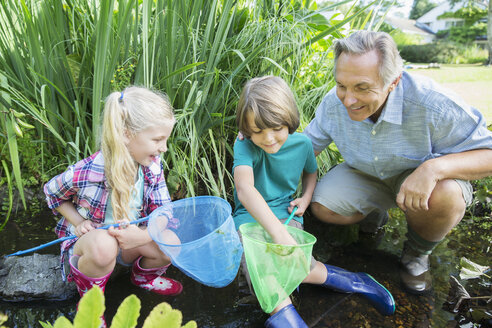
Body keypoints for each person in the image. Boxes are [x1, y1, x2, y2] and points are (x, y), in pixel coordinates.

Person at [304, 30, 492, 295]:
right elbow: (303, 150)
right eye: (342, 85)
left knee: (447, 195)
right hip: (366, 173)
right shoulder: (333, 103)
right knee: (323, 206)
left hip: (422, 182)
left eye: (362, 88)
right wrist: (258, 138)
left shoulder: (433, 103)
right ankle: (375, 215)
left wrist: (434, 169)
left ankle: (416, 253)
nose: (348, 99)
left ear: (393, 81)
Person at [233, 76, 395, 328]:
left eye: (276, 129)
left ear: (290, 120)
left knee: (299, 267)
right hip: (248, 218)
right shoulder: (244, 145)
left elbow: (310, 172)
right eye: (257, 131)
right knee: (260, 266)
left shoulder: (303, 144)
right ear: (246, 129)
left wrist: (306, 198)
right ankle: (287, 317)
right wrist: (276, 233)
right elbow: (245, 189)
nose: (268, 139)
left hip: (286, 214)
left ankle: (356, 281)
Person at [44, 86, 183, 310]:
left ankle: (142, 278)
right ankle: (91, 302)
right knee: (104, 245)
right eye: (157, 140)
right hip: (93, 246)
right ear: (127, 134)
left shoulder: (151, 168)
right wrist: (80, 223)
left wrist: (142, 235)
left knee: (171, 243)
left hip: (130, 242)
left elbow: (164, 211)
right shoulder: (90, 171)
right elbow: (52, 192)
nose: (164, 148)